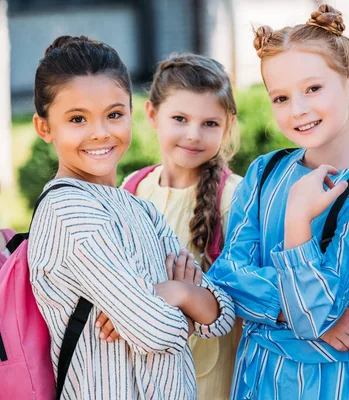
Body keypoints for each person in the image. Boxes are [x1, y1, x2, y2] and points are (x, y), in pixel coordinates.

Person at [208, 4, 349, 399]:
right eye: (280, 97)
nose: (298, 109)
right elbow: (225, 275)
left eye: (313, 89)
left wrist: (298, 221)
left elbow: (312, 314)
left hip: (331, 384)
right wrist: (288, 308)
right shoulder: (264, 173)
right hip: (256, 380)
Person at [27, 35, 235, 399]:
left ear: (132, 112)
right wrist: (187, 306)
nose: (100, 132)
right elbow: (155, 332)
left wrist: (173, 291)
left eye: (114, 114)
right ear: (45, 127)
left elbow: (222, 315)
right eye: (77, 119)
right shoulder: (68, 215)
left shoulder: (139, 206)